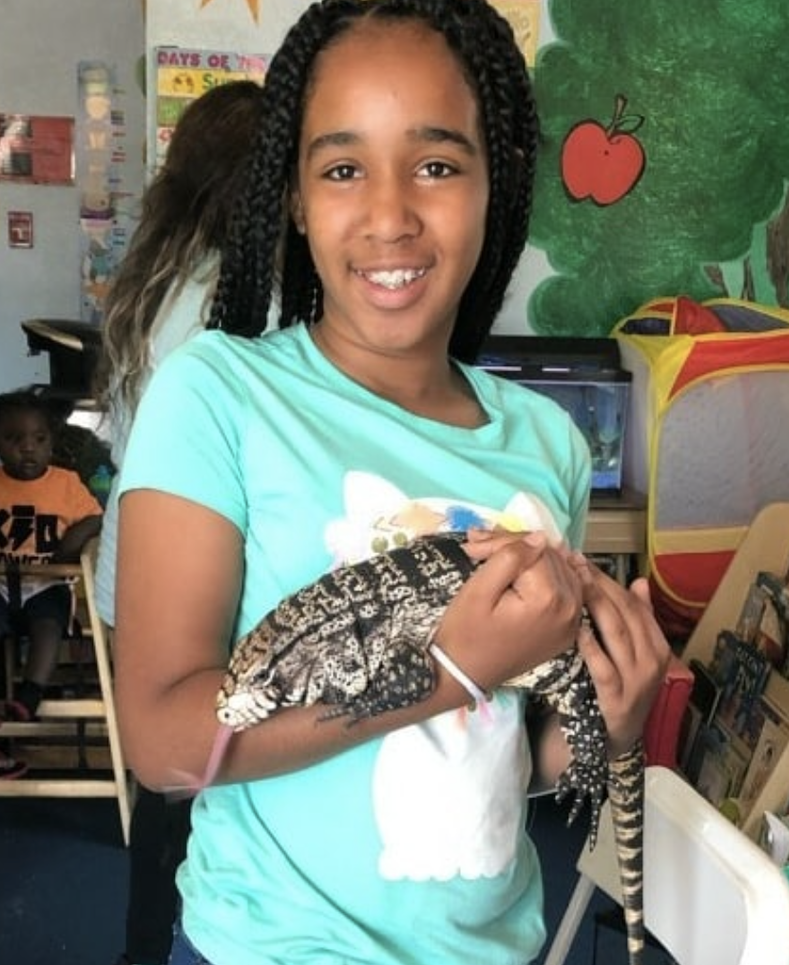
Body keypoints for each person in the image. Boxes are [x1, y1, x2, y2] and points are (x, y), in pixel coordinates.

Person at [114, 2, 670, 964]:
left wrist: (608, 720)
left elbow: (515, 751)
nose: (389, 213)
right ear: (293, 196)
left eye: (439, 164)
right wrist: (445, 671)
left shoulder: (550, 441)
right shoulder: (218, 394)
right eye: (341, 168)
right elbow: (165, 744)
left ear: (496, 184)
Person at [92, 79, 263, 965]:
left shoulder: (151, 277)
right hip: (199, 560)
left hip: (133, 555)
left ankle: (143, 948)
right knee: (207, 777)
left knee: (163, 791)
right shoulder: (233, 301)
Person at [0, 389, 103, 779]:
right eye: (13, 439)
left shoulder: (65, 483)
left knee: (49, 625)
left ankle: (29, 694)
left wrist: (69, 546)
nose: (27, 449)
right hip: (3, 584)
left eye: (38, 440)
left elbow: (95, 518)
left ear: (50, 442)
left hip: (47, 581)